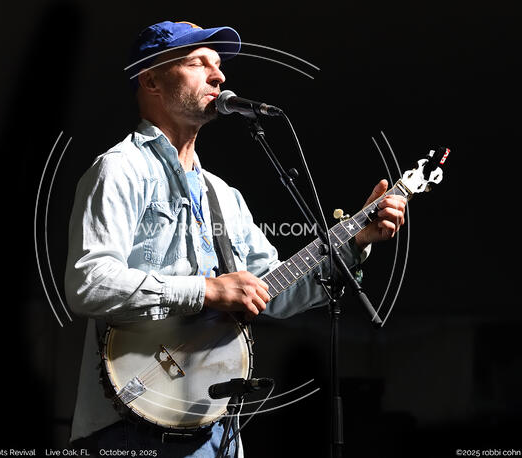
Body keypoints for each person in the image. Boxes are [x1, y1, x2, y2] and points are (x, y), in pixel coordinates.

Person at [65, 20, 407, 457]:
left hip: (219, 428)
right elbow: (88, 282)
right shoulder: (120, 170)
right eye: (198, 63)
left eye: (218, 64)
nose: (219, 75)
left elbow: (275, 292)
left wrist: (358, 239)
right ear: (151, 80)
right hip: (132, 425)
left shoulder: (223, 195)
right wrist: (207, 290)